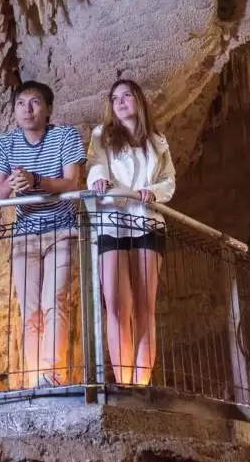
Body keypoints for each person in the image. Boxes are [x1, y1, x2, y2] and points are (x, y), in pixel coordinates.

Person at [0, 81, 86, 388]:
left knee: (54, 302)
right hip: (24, 236)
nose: (27, 109)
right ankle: (33, 379)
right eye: (20, 104)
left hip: (61, 230)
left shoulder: (65, 135)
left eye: (35, 103)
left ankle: (52, 376)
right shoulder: (5, 143)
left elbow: (72, 184)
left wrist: (37, 180)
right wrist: (15, 183)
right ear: (14, 110)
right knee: (29, 309)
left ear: (48, 109)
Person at [86, 79, 175, 386]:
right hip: (112, 219)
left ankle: (140, 382)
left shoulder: (157, 141)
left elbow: (168, 182)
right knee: (116, 303)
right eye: (115, 98)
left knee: (144, 305)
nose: (120, 102)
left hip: (146, 219)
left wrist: (150, 192)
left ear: (138, 100)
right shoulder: (102, 135)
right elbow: (95, 164)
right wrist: (98, 179)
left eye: (126, 96)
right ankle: (124, 381)